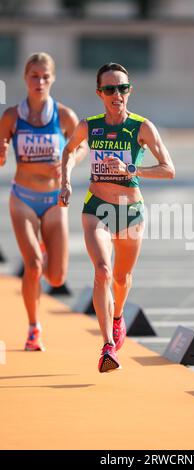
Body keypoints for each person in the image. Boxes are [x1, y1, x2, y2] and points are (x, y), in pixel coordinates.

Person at [59, 62, 175, 373]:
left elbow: (168, 169)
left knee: (121, 279)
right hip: (96, 207)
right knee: (102, 271)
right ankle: (108, 345)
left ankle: (118, 315)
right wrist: (66, 180)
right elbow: (68, 151)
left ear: (129, 91)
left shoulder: (142, 127)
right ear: (100, 93)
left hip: (130, 211)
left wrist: (132, 170)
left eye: (122, 88)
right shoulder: (89, 126)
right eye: (110, 89)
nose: (117, 94)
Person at [0, 52, 86, 351]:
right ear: (25, 78)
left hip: (53, 198)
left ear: (53, 79)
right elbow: (1, 150)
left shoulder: (64, 116)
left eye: (45, 76)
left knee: (56, 275)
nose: (40, 82)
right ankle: (33, 327)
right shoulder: (12, 116)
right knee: (33, 265)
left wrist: (69, 161)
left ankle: (48, 246)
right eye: (34, 76)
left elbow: (82, 146)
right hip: (22, 197)